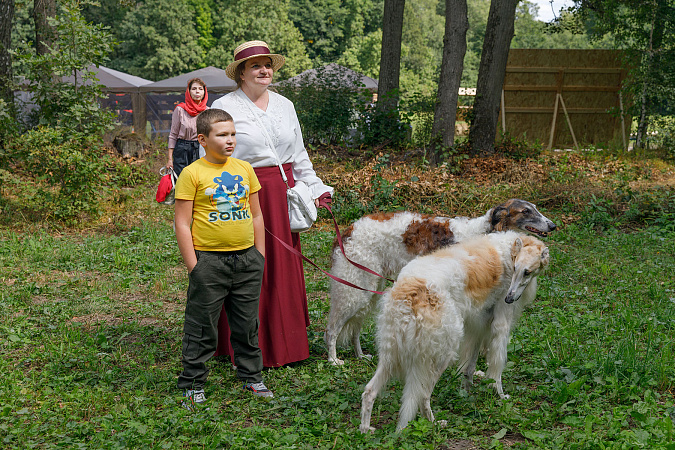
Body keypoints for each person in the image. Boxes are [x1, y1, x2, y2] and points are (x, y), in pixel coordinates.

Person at [211, 41, 333, 368]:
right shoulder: (223, 107)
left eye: (268, 65)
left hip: (284, 193)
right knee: (248, 267)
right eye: (256, 66)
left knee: (282, 267)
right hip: (242, 192)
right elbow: (211, 156)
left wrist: (315, 187)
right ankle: (244, 345)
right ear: (241, 73)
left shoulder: (285, 105)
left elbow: (299, 155)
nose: (265, 71)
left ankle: (287, 344)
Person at [175, 108, 272, 409]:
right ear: (202, 139)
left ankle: (251, 377)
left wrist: (260, 255)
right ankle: (192, 383)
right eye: (222, 135)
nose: (230, 140)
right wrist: (195, 266)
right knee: (202, 325)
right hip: (210, 264)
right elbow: (181, 222)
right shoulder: (193, 173)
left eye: (233, 134)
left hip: (247, 261)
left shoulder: (245, 169)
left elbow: (256, 214)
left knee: (246, 324)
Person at [167, 78, 208, 177]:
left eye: (200, 89)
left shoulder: (207, 111)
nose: (197, 91)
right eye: (194, 88)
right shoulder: (180, 109)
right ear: (189, 92)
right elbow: (173, 134)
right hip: (182, 149)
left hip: (200, 148)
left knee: (198, 178)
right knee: (181, 180)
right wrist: (169, 159)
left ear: (204, 92)